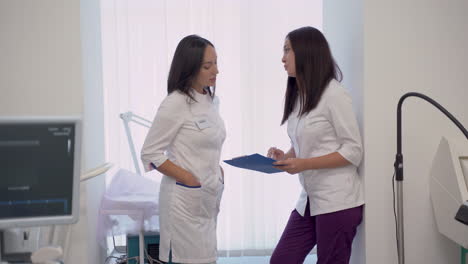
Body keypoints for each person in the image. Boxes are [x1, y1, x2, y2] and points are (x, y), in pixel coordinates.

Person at [267, 26, 364, 264]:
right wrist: (285, 155)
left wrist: (304, 163)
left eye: (287, 50)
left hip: (337, 202)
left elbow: (353, 150)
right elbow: (303, 145)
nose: (283, 58)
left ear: (307, 52)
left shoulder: (334, 94)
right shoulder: (299, 96)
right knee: (281, 260)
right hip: (310, 200)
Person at [141, 35, 225, 264]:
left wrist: (218, 173)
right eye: (208, 66)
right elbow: (150, 153)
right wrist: (188, 178)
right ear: (190, 67)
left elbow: (209, 143)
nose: (216, 70)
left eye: (216, 63)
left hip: (207, 198)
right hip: (184, 202)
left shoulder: (209, 99)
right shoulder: (175, 103)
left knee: (208, 258)